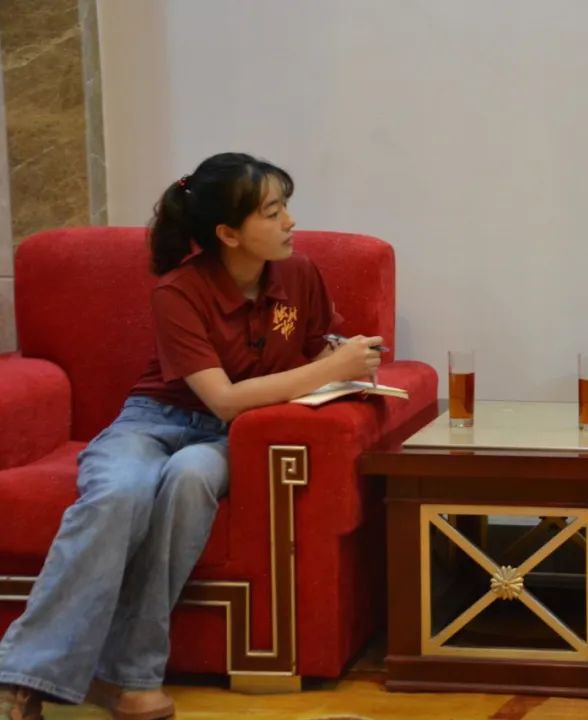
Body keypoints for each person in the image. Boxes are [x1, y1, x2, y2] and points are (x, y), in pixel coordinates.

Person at [0, 153, 384, 720]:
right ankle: (25, 676)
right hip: (155, 420)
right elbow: (221, 396)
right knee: (118, 493)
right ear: (228, 233)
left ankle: (128, 675)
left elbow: (316, 353)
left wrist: (343, 361)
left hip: (237, 436)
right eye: (272, 212)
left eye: (285, 207)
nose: (290, 222)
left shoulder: (300, 274)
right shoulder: (178, 290)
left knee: (189, 478)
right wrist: (327, 369)